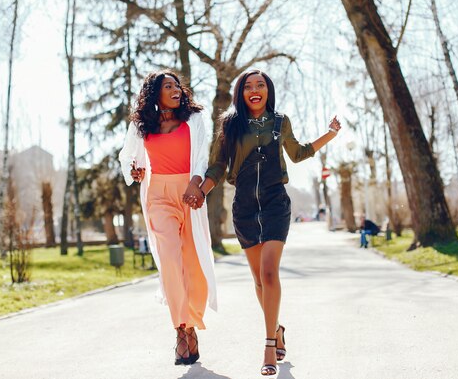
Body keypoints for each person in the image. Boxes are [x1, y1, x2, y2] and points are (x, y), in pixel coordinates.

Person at [196, 69, 341, 377]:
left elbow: (298, 153)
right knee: (259, 282)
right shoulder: (230, 125)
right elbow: (218, 165)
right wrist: (201, 192)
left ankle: (268, 345)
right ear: (241, 93)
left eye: (260, 85)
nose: (255, 90)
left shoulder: (280, 122)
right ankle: (277, 328)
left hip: (275, 203)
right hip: (245, 207)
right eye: (248, 86)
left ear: (268, 90)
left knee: (269, 272)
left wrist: (329, 134)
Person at [118, 70, 217, 365]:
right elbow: (128, 157)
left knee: (194, 264)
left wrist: (195, 182)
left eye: (177, 85)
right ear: (155, 94)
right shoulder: (141, 124)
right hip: (158, 194)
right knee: (171, 261)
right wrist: (134, 171)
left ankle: (192, 322)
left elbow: (201, 156)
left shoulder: (194, 119)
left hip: (188, 192)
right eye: (168, 86)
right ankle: (181, 329)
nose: (175, 90)